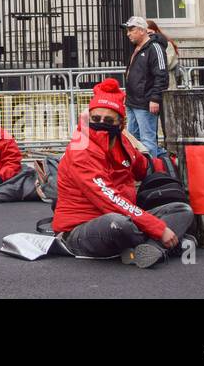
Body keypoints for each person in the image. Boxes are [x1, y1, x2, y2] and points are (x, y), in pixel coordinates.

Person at [52, 79, 193, 268]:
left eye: (108, 120)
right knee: (118, 223)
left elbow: (145, 168)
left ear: (120, 124)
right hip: (82, 228)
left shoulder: (122, 142)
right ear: (88, 117)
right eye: (96, 118)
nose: (101, 123)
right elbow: (110, 199)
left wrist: (176, 165)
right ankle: (164, 244)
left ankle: (149, 249)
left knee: (182, 210)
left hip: (126, 215)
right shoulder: (80, 149)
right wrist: (158, 228)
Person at [122, 16, 169, 161]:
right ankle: (140, 171)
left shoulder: (155, 48)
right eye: (127, 30)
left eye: (131, 29)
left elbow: (161, 75)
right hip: (133, 101)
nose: (128, 33)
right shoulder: (138, 48)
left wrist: (155, 98)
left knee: (147, 140)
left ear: (142, 31)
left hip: (146, 102)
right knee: (132, 139)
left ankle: (152, 173)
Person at [145, 19, 183, 88]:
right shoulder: (144, 46)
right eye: (146, 33)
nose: (149, 36)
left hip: (166, 83)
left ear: (156, 31)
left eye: (150, 32)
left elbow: (168, 63)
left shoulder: (167, 44)